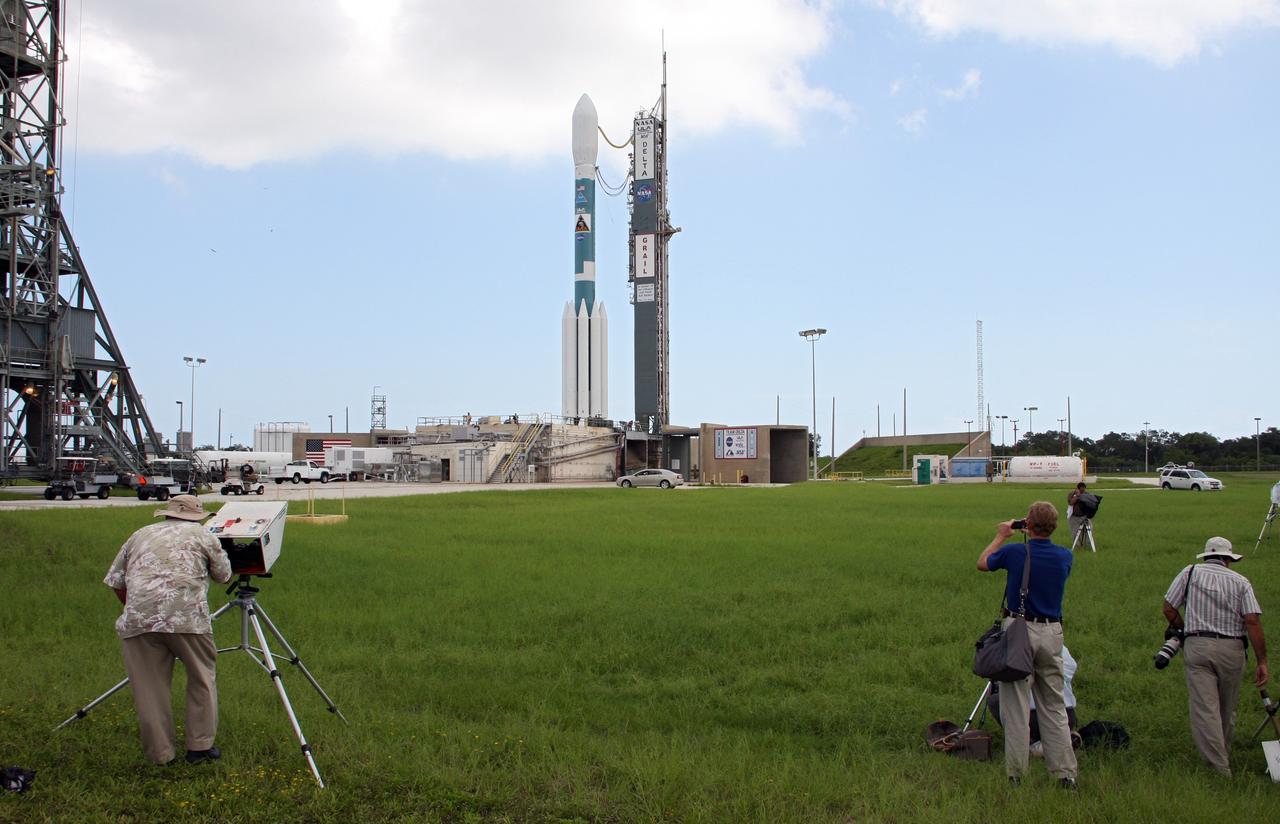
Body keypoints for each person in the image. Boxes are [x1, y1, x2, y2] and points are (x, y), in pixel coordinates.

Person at [103, 495, 232, 765]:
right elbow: (223, 575)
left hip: (139, 621)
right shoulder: (203, 535)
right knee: (201, 678)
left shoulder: (140, 534)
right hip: (187, 621)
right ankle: (199, 747)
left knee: (149, 688)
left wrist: (139, 609)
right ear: (198, 516)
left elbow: (116, 581)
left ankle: (160, 754)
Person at [977, 501, 1079, 788]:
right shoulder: (1064, 556)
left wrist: (1001, 535)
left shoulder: (1015, 551)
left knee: (1017, 705)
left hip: (1020, 631)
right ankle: (1065, 774)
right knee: (1054, 706)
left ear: (1028, 525)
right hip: (1052, 632)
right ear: (1055, 527)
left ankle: (1016, 774)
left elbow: (982, 563)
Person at [1161, 537, 1268, 777]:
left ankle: (1218, 766)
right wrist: (1262, 661)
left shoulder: (1189, 572)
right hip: (1233, 649)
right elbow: (1252, 620)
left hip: (1197, 645)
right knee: (1227, 707)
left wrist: (1184, 628)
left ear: (1206, 556)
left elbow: (1168, 607)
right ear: (1228, 559)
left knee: (1204, 707)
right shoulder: (1241, 582)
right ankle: (1222, 758)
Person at [989, 645, 1080, 756]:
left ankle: (1034, 744)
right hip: (1066, 715)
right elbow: (1071, 666)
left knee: (995, 701)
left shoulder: (1014, 646)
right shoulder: (1058, 645)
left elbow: (994, 670)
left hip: (1035, 719)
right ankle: (1063, 739)